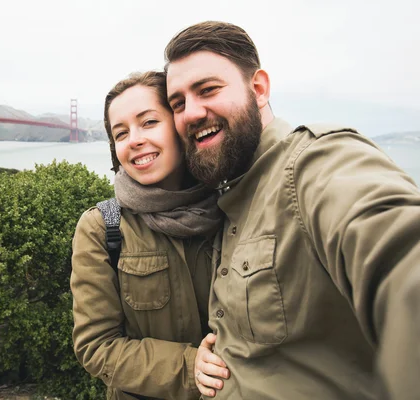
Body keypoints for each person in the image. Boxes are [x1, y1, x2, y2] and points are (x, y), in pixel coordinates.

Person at [164, 21, 420, 400]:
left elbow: (401, 259)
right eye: (178, 103)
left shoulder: (316, 161)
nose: (191, 113)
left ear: (259, 88)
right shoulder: (228, 193)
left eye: (208, 90)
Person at [71, 71, 228, 400]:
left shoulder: (232, 208)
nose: (135, 140)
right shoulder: (102, 227)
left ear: (180, 125)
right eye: (121, 133)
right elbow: (96, 346)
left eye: (149, 122)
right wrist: (189, 368)